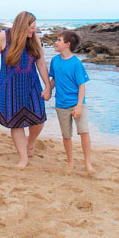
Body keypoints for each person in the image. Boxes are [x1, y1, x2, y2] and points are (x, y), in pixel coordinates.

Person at [0, 11, 51, 169]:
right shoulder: (4, 37)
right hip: (10, 86)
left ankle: (30, 144)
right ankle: (23, 158)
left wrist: (47, 85)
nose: (34, 30)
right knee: (16, 123)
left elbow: (41, 64)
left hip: (31, 85)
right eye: (32, 27)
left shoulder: (34, 39)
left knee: (39, 119)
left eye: (35, 27)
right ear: (23, 26)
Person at [46, 30, 94, 174]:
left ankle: (88, 163)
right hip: (61, 104)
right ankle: (70, 162)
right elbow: (53, 79)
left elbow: (82, 86)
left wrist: (79, 106)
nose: (55, 42)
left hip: (77, 104)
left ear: (67, 44)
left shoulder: (76, 63)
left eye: (59, 40)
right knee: (66, 135)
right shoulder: (55, 61)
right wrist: (47, 90)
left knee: (84, 132)